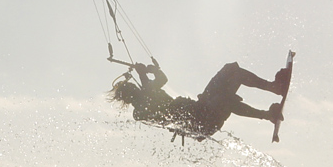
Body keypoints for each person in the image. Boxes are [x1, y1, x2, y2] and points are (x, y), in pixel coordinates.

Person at [110, 60, 290, 138]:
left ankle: (274, 87)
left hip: (201, 107)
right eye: (134, 88)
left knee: (230, 70)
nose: (138, 88)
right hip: (201, 124)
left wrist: (152, 71)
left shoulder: (147, 94)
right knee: (222, 99)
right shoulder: (140, 112)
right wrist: (143, 75)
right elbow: (152, 99)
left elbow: (162, 79)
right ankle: (268, 116)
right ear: (131, 95)